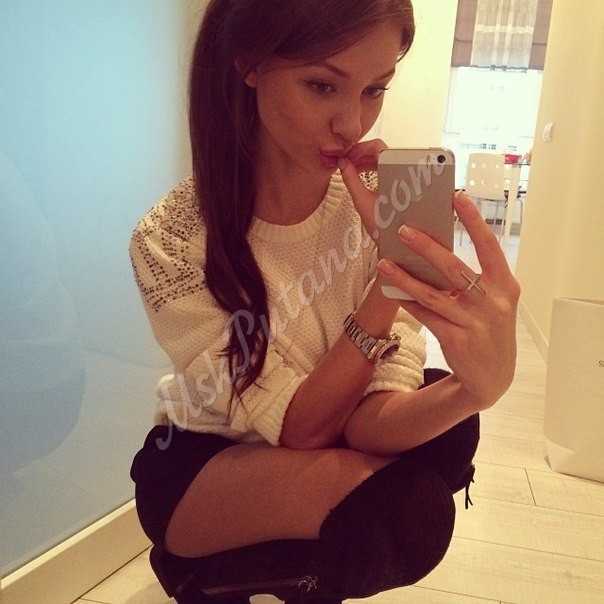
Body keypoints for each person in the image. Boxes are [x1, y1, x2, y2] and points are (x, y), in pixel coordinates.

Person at [128, 1, 521, 602]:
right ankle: (207, 574)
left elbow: (371, 413)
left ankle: (287, 570)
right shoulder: (171, 238)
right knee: (403, 510)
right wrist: (388, 279)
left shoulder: (368, 204)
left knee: (449, 430)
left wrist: (478, 389)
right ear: (250, 65)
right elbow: (300, 428)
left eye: (374, 90)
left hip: (328, 431)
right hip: (208, 459)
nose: (351, 124)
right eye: (321, 85)